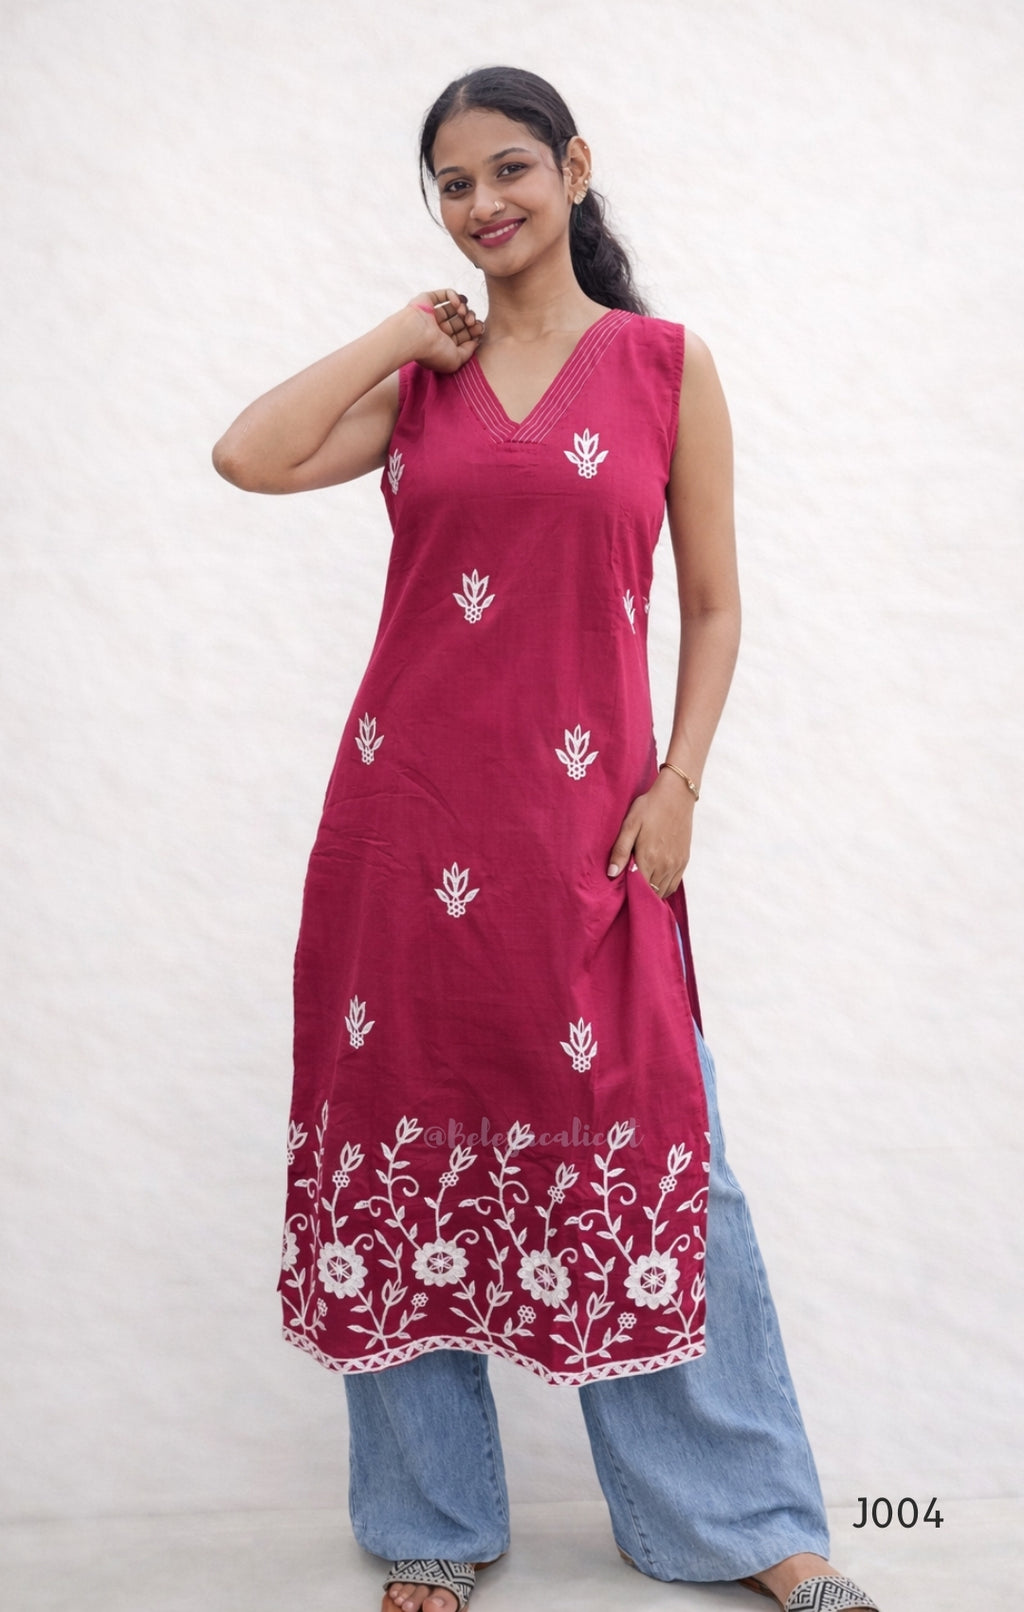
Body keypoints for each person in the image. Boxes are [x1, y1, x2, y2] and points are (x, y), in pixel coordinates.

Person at [212, 63, 877, 1612]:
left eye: (509, 169)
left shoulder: (662, 365)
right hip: (405, 828)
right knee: (410, 1140)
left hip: (591, 840)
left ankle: (742, 1524)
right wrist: (397, 330)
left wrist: (681, 783)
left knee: (660, 1160)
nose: (484, 204)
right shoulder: (422, 384)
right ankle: (430, 1522)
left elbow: (712, 601)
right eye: (453, 186)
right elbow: (247, 454)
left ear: (576, 170)